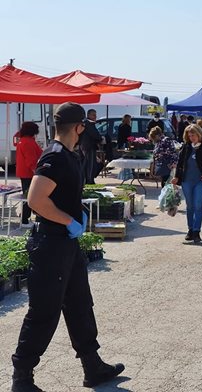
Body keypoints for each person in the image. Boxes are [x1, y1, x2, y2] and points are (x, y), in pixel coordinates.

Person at [11, 103, 124, 392]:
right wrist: (69, 221)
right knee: (44, 312)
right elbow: (36, 199)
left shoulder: (70, 155)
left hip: (66, 243)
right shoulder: (55, 156)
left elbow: (60, 195)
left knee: (80, 304)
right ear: (78, 127)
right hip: (50, 244)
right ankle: (22, 378)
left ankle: (92, 365)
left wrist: (77, 215)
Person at [173, 124, 202, 243]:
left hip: (200, 181)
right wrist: (176, 177)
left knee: (198, 206)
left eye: (193, 135)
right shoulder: (186, 147)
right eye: (189, 135)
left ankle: (197, 231)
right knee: (190, 206)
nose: (191, 137)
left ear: (199, 134)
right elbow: (180, 164)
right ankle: (190, 229)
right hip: (186, 181)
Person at [15, 122, 43, 228]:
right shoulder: (28, 142)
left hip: (24, 173)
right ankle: (25, 220)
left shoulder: (23, 141)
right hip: (28, 173)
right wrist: (37, 172)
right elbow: (31, 161)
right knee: (29, 196)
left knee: (28, 195)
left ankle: (25, 218)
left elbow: (39, 152)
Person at [79, 109, 102, 184]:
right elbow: (96, 136)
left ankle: (86, 180)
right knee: (90, 166)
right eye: (93, 115)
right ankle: (89, 181)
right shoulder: (89, 123)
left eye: (95, 115)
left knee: (85, 165)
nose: (95, 117)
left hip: (83, 147)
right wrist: (101, 139)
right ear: (88, 115)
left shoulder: (83, 123)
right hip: (89, 147)